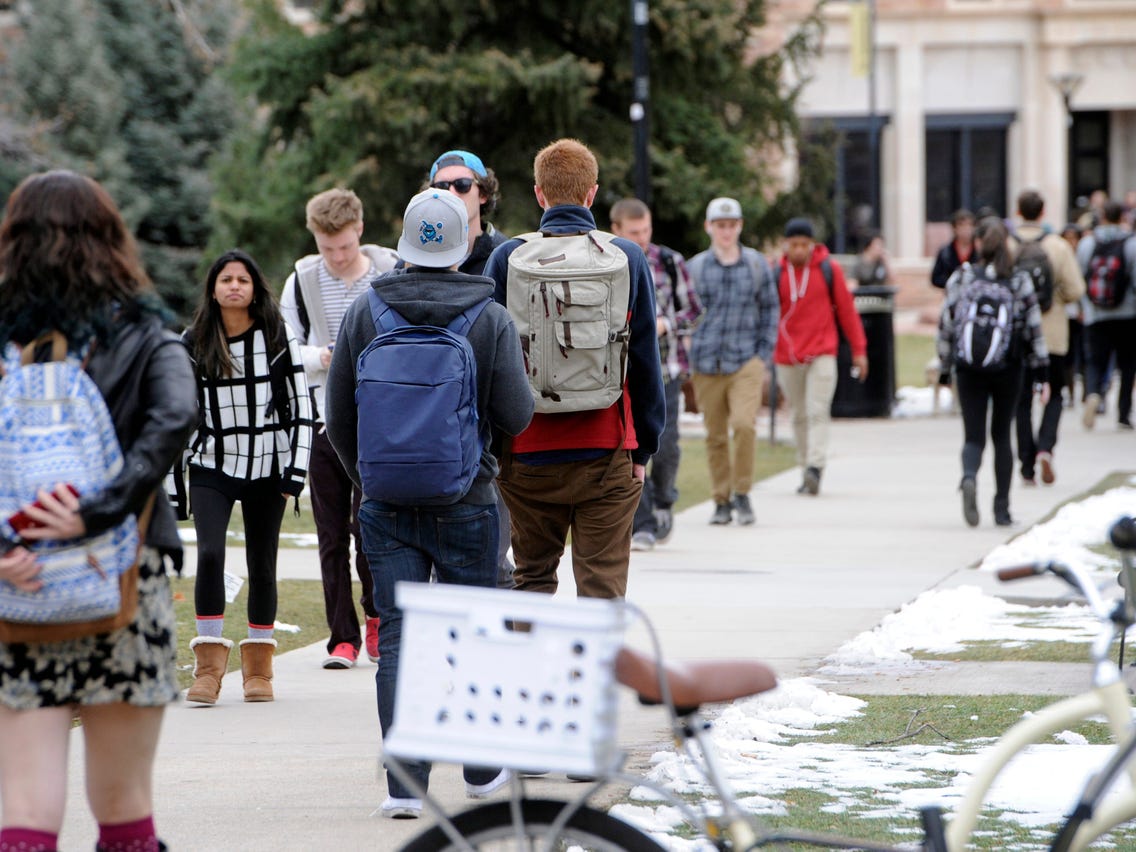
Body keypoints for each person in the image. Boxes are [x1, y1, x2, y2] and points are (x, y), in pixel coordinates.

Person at [0, 170, 197, 852]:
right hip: (122, 577)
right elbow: (176, 416)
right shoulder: (143, 332)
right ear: (110, 239)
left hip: (18, 586)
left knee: (25, 801)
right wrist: (100, 511)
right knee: (123, 803)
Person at [324, 189, 532, 818]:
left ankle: (403, 786)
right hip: (469, 497)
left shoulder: (366, 311)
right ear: (464, 245)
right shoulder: (488, 315)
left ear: (407, 242)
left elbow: (338, 417)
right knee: (474, 631)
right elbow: (517, 413)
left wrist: (369, 478)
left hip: (384, 503)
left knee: (402, 638)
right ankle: (480, 769)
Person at [483, 138, 665, 599]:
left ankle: (527, 672)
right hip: (606, 450)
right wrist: (643, 449)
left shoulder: (508, 259)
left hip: (527, 453)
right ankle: (593, 673)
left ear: (540, 194)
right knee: (602, 591)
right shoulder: (627, 257)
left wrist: (494, 450)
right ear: (592, 194)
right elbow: (645, 359)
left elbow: (488, 360)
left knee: (532, 580)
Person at [172, 249, 313, 704]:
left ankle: (259, 673)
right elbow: (178, 415)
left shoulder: (276, 335)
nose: (235, 286)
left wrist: (296, 470)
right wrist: (176, 486)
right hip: (212, 463)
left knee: (263, 564)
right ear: (213, 289)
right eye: (226, 279)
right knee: (210, 554)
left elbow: (300, 405)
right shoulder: (193, 340)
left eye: (243, 279)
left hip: (268, 464)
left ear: (255, 288)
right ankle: (208, 670)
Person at [280, 188, 398, 669]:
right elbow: (287, 348)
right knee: (330, 534)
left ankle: (375, 619)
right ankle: (340, 637)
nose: (336, 257)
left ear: (360, 232)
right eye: (327, 249)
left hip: (377, 420)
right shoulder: (302, 280)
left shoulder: (389, 272)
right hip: (322, 421)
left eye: (345, 247)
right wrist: (321, 358)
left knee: (369, 526)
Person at [426, 149, 515, 587]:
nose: (451, 193)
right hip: (433, 419)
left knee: (492, 564)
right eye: (440, 187)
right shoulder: (416, 254)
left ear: (483, 193)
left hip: (491, 426)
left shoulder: (508, 256)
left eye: (462, 185)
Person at [938, 216, 1049, 528]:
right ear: (1007, 245)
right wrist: (1041, 373)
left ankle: (969, 476)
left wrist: (946, 368)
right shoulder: (1018, 280)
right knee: (1002, 435)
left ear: (977, 244)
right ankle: (1002, 509)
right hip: (1009, 368)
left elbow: (946, 324)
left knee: (973, 436)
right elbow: (1034, 329)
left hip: (969, 368)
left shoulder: (963, 277)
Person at [609, 197, 703, 551]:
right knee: (634, 446)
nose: (642, 237)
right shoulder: (608, 260)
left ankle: (665, 498)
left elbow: (693, 310)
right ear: (616, 230)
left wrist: (666, 324)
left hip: (668, 369)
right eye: (634, 232)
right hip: (625, 372)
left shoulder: (669, 261)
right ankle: (643, 523)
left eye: (646, 229)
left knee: (667, 446)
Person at [686, 197, 778, 525]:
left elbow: (770, 308)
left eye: (732, 225)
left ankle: (742, 492)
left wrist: (763, 354)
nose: (726, 231)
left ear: (739, 226)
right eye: (720, 225)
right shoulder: (695, 267)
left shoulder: (755, 265)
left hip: (745, 359)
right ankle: (721, 499)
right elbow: (686, 312)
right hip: (707, 361)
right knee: (715, 435)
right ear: (709, 227)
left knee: (744, 425)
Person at [774, 217, 868, 496]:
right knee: (798, 414)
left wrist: (859, 350)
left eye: (805, 245)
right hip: (787, 354)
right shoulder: (775, 273)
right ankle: (805, 468)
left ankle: (815, 466)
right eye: (794, 245)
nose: (800, 250)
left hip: (822, 351)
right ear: (786, 245)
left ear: (813, 245)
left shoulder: (829, 269)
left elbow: (848, 312)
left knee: (817, 410)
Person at [1011, 191, 1085, 486]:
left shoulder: (1008, 244)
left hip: (1017, 336)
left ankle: (1027, 464)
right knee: (1054, 394)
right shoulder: (1058, 246)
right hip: (1051, 333)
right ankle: (1045, 448)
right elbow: (1076, 290)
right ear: (1042, 214)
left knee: (1020, 401)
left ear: (1018, 212)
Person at [1075, 200, 1136, 430]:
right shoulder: (1131, 243)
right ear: (1122, 217)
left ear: (1101, 216)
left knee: (1094, 361)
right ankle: (1123, 412)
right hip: (1127, 314)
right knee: (1127, 364)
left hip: (1095, 313)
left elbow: (1079, 277)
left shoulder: (1088, 243)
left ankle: (1093, 393)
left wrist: (1083, 307)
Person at [931, 208, 977, 289]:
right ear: (954, 228)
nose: (966, 230)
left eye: (969, 225)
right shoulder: (945, 252)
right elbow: (936, 278)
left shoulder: (979, 250)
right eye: (962, 225)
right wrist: (953, 282)